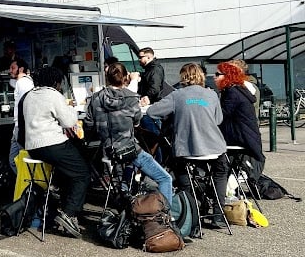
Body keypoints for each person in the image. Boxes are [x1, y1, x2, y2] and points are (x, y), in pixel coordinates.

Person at [147, 63, 229, 228]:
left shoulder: (177, 95)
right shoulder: (212, 95)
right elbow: (218, 120)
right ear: (201, 76)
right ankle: (218, 215)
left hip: (186, 150)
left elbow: (152, 112)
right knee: (220, 173)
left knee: (183, 176)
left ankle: (192, 216)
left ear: (183, 77)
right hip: (214, 147)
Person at [85, 62, 173, 205]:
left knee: (129, 164)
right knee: (165, 178)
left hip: (107, 149)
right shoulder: (131, 98)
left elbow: (89, 124)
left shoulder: (95, 98)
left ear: (107, 78)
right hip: (129, 149)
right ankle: (164, 214)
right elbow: (137, 121)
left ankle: (125, 192)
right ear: (126, 77)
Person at [22, 66, 90, 238]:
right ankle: (69, 213)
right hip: (52, 144)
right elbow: (69, 122)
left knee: (67, 171)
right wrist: (72, 108)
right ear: (55, 82)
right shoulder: (53, 95)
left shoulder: (30, 95)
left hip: (32, 147)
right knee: (82, 173)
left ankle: (58, 195)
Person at [215, 61, 265, 179]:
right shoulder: (238, 90)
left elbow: (221, 116)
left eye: (217, 74)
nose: (214, 77)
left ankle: (225, 182)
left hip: (241, 137)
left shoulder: (232, 93)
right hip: (246, 135)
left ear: (227, 76)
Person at [8, 58, 34, 173]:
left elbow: (27, 103)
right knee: (15, 160)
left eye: (13, 68)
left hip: (22, 127)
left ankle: (30, 181)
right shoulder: (23, 82)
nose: (10, 70)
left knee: (19, 160)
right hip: (19, 126)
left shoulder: (23, 82)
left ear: (21, 69)